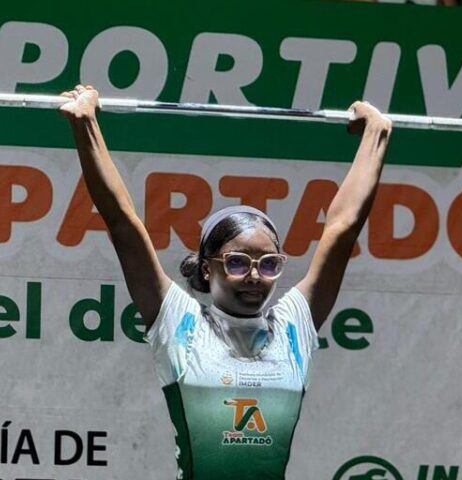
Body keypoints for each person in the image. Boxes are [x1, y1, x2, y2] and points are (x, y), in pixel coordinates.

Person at [59, 85, 392, 480]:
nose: (254, 275)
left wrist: (377, 131)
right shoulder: (179, 322)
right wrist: (86, 125)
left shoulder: (293, 326)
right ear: (205, 269)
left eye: (269, 265)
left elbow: (342, 228)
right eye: (237, 262)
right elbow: (123, 223)